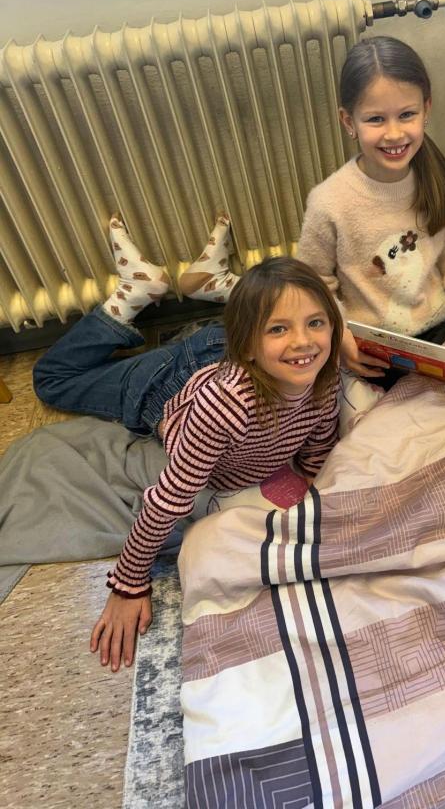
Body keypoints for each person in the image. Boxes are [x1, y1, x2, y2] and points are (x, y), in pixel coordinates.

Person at [34, 220, 342, 671]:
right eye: (279, 328)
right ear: (249, 346)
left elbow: (319, 444)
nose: (303, 341)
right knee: (51, 379)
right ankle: (130, 295)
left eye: (315, 323)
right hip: (163, 382)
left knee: (267, 330)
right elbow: (170, 498)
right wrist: (128, 583)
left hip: (222, 348)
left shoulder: (324, 377)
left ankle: (216, 284)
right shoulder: (224, 409)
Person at [294, 35, 445, 385]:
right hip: (376, 349)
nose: (394, 133)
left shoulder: (434, 176)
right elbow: (314, 286)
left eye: (406, 115)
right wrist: (339, 336)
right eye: (376, 119)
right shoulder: (329, 203)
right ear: (348, 122)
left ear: (426, 110)